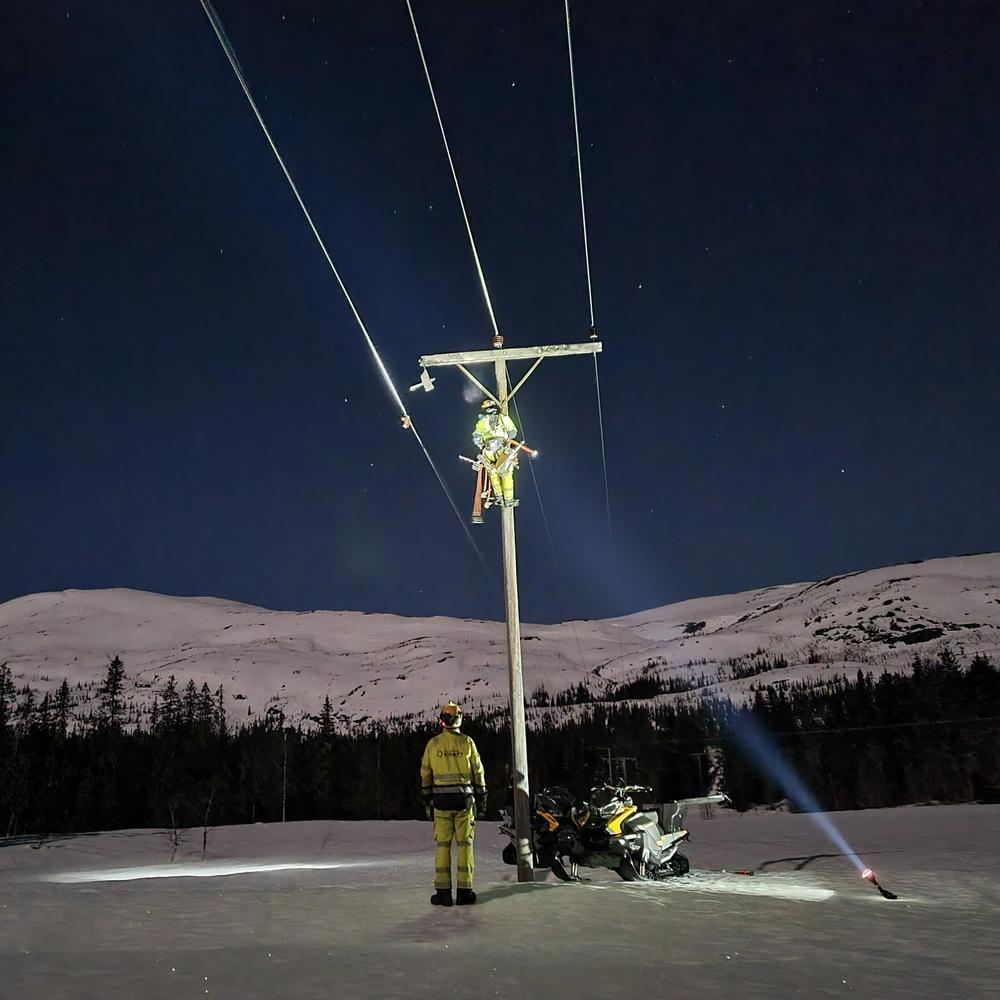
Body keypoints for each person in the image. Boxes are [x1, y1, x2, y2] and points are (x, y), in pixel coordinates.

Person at [420, 700, 487, 906]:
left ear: (442, 721)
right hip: (464, 803)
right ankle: (465, 892)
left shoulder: (434, 744)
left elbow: (425, 773)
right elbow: (478, 771)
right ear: (459, 720)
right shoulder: (467, 743)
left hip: (441, 803)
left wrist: (427, 797)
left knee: (442, 846)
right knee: (465, 845)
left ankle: (443, 893)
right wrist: (482, 796)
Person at [473, 399, 519, 508]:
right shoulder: (502, 418)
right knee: (505, 472)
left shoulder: (482, 422)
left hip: (489, 451)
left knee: (494, 472)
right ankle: (507, 500)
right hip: (500, 450)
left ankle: (501, 498)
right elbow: (512, 433)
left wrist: (482, 443)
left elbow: (477, 438)